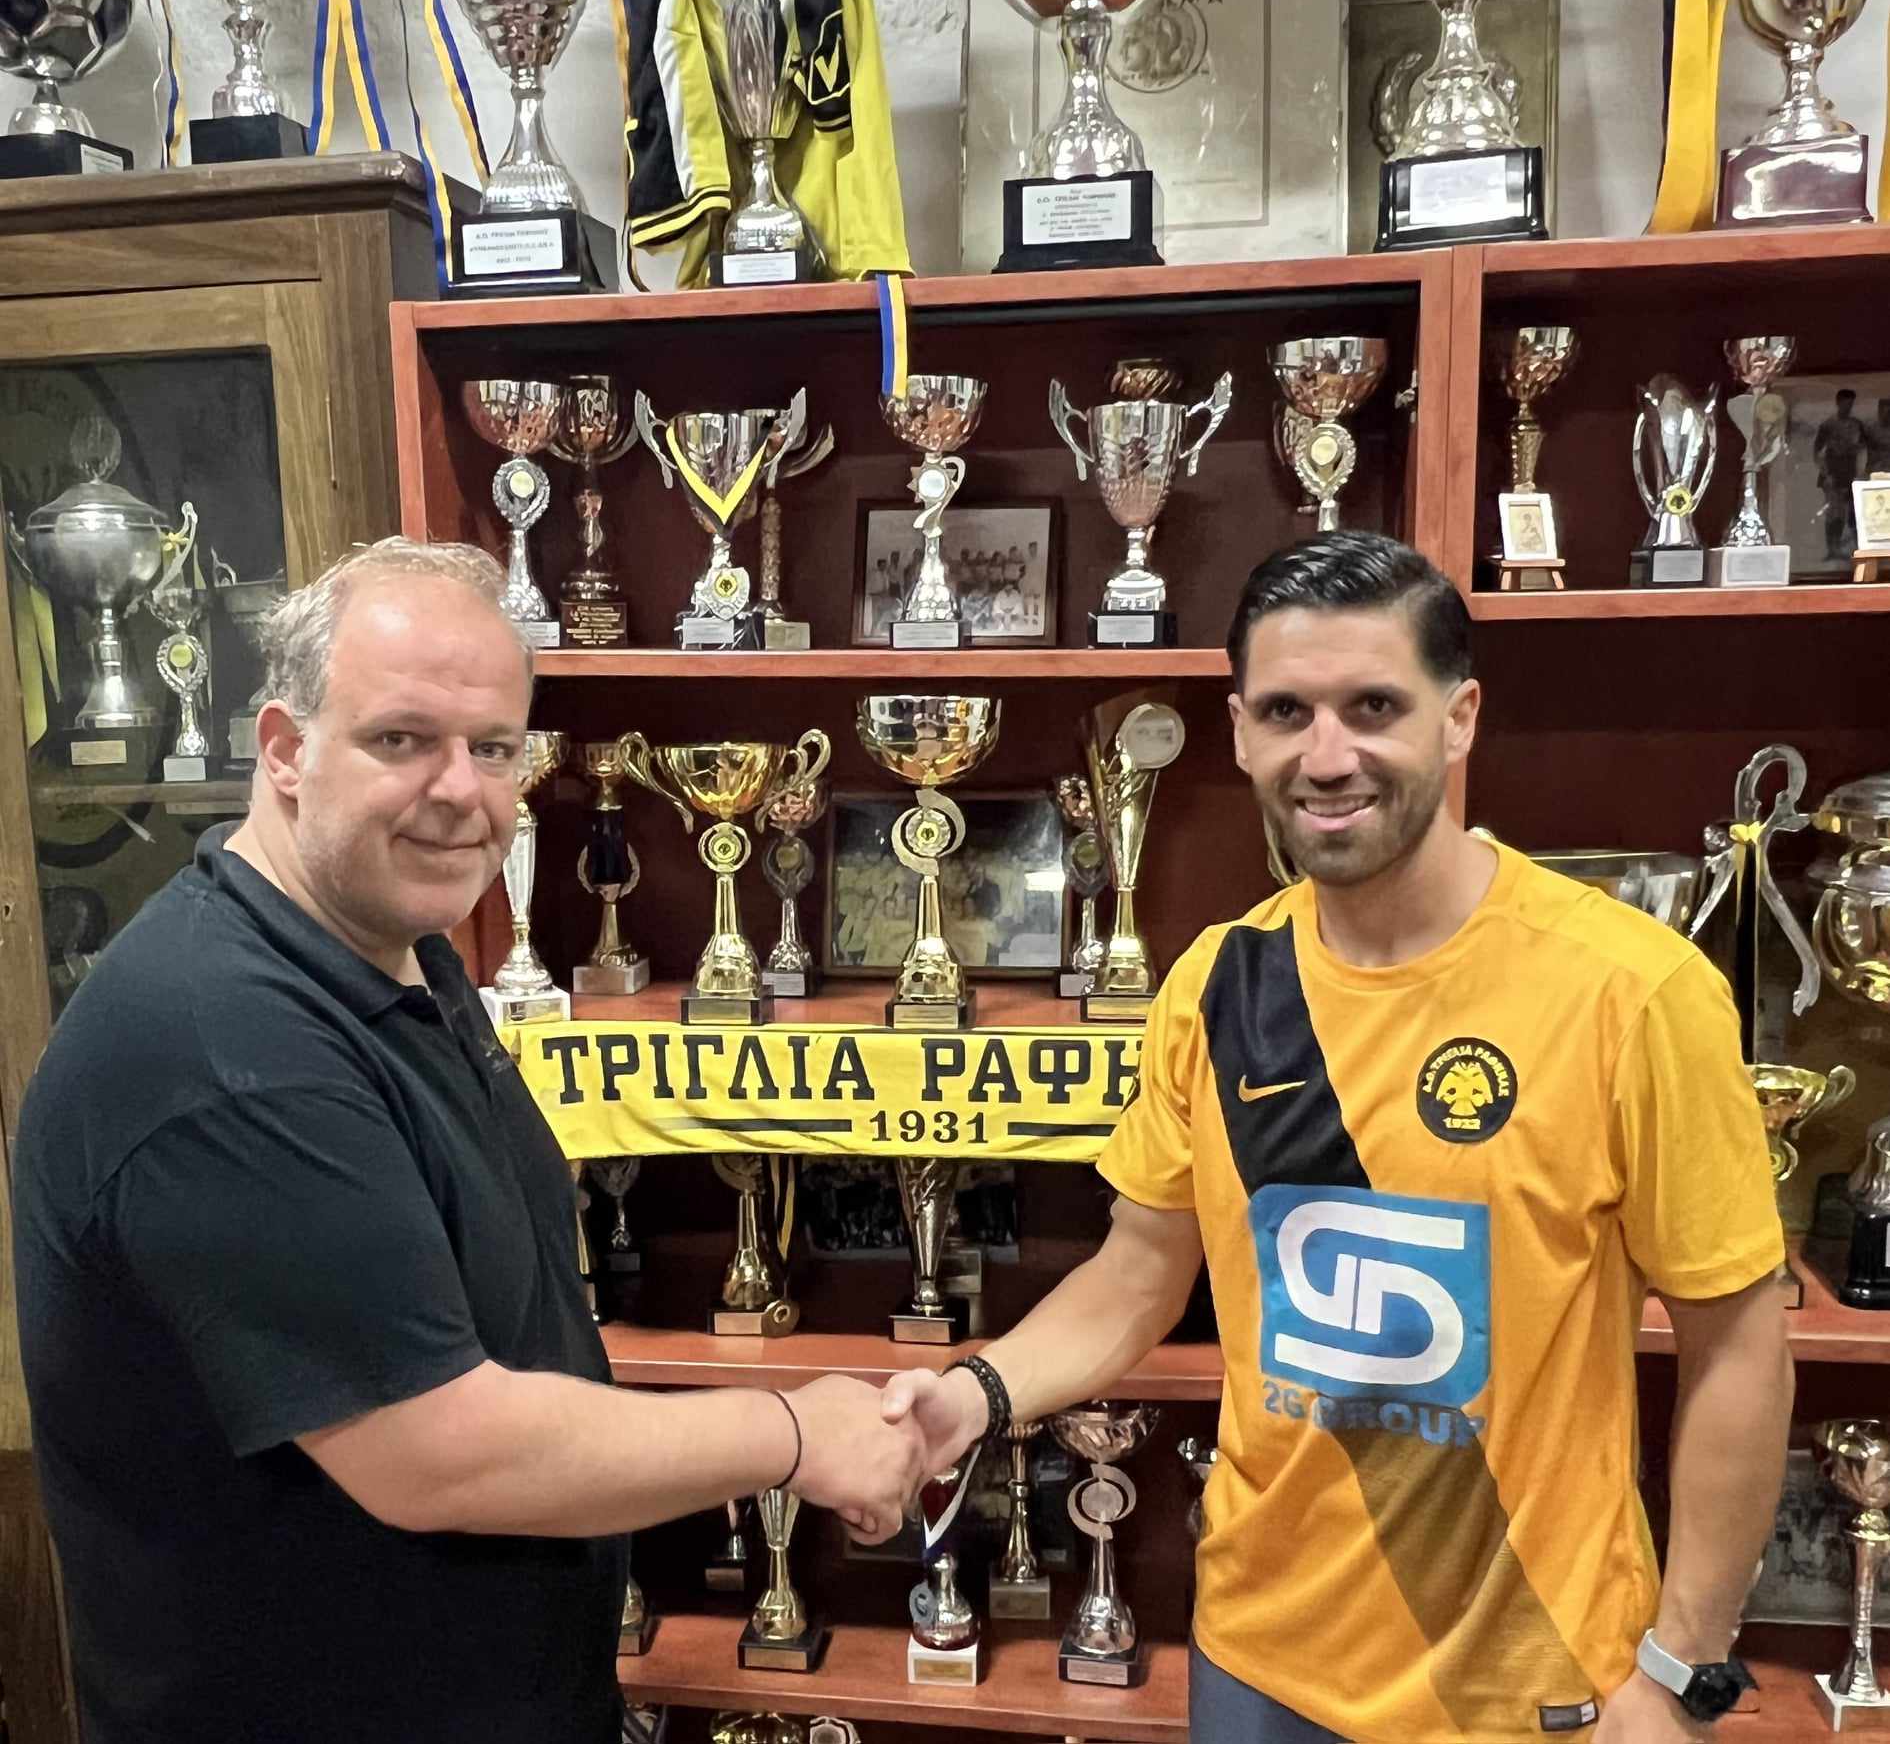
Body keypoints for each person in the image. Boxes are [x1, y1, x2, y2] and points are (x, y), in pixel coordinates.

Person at [884, 531, 1792, 1743]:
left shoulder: (1632, 991)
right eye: (1287, 712)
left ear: (1459, 719)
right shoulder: (1219, 984)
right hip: (1258, 1660)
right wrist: (974, 1397)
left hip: (1532, 1677)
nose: (1327, 757)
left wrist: (1683, 1669)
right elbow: (1138, 1274)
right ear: (1238, 732)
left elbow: (1739, 1345)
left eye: (1374, 707)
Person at [12, 538, 924, 1744]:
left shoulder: (389, 952)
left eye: (494, 748)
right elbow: (439, 1452)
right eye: (402, 739)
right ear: (284, 750)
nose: (462, 791)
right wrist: (797, 1434)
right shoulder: (226, 1046)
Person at [1814, 388, 1866, 558]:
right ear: (1838, 403)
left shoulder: (1857, 425)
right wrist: (1826, 474)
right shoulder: (1828, 425)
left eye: (1850, 404)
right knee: (1834, 513)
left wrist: (1860, 471)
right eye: (1845, 403)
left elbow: (1863, 449)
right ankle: (1832, 549)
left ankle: (1853, 547)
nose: (1848, 407)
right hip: (1832, 474)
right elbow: (1817, 452)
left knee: (1852, 512)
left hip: (1850, 473)